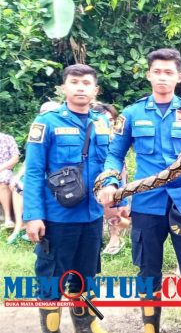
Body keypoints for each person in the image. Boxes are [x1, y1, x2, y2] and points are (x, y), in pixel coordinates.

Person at [98, 48, 181, 333]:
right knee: (148, 271)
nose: (162, 77)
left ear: (179, 77)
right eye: (157, 71)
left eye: (169, 72)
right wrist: (111, 182)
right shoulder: (132, 113)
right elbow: (114, 155)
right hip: (147, 204)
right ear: (149, 74)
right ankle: (150, 327)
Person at [23, 64, 112, 333]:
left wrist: (116, 203)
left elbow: (109, 164)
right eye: (74, 82)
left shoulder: (103, 122)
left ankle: (85, 327)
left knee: (86, 277)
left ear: (95, 90)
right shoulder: (47, 123)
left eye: (87, 83)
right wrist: (33, 215)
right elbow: (34, 171)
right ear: (64, 87)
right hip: (57, 218)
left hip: (91, 216)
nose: (81, 87)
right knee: (51, 280)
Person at [6, 101, 61, 244]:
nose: (47, 115)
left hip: (57, 177)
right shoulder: (39, 129)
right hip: (40, 172)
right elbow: (31, 162)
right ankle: (20, 227)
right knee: (19, 186)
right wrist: (17, 176)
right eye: (43, 111)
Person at [92, 102, 130, 255]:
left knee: (112, 206)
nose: (108, 123)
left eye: (111, 120)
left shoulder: (115, 138)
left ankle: (116, 238)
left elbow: (119, 165)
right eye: (104, 120)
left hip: (112, 176)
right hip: (91, 177)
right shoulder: (89, 135)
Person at [0, 130, 19, 229]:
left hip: (4, 170)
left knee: (3, 178)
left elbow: (15, 159)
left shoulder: (7, 139)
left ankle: (8, 218)